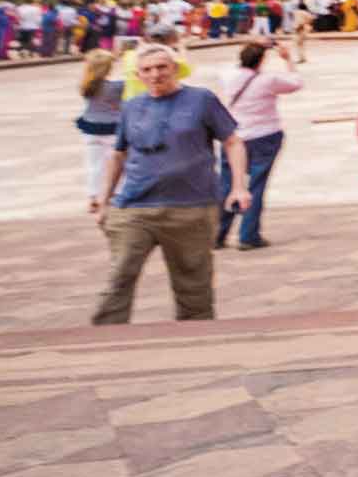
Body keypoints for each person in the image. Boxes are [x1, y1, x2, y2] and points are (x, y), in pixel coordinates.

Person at [94, 43, 245, 324]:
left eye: (162, 67)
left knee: (193, 286)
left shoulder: (201, 100)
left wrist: (238, 186)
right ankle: (103, 340)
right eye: (147, 70)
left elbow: (233, 142)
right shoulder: (132, 107)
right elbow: (118, 154)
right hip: (135, 206)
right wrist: (104, 201)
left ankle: (195, 343)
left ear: (175, 68)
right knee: (119, 278)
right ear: (138, 75)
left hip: (190, 208)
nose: (155, 74)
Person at [215, 38, 302, 249]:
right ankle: (248, 234)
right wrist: (288, 58)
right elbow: (296, 83)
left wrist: (256, 45)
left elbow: (234, 66)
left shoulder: (228, 75)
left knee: (227, 184)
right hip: (264, 135)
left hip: (233, 136)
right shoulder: (268, 80)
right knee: (256, 185)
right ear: (262, 60)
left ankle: (217, 234)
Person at [74, 48, 123, 211]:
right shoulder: (117, 86)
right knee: (115, 164)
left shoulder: (85, 86)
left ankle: (92, 197)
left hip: (90, 128)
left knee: (94, 165)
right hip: (111, 129)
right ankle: (114, 194)